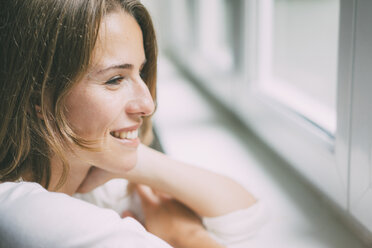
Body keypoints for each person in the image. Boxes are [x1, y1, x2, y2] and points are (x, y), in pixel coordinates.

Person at [0, 0, 266, 247]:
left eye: (140, 71)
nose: (148, 104)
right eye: (115, 79)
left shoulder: (89, 180)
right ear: (39, 97)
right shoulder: (25, 213)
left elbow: (245, 214)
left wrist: (133, 159)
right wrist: (186, 235)